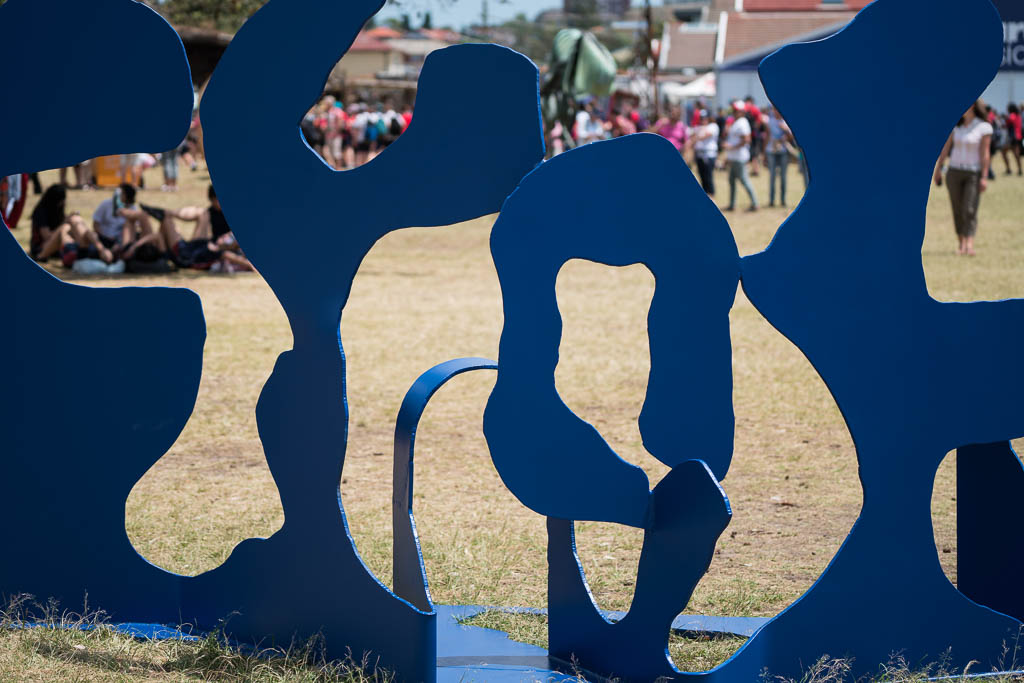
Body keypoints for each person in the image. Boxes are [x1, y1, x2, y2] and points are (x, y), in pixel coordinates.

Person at [138, 184, 253, 271]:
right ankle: (167, 213)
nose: (224, 237)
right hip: (191, 247)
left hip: (185, 253)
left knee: (167, 220)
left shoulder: (216, 251)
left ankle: (165, 214)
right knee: (200, 214)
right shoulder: (212, 216)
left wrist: (249, 264)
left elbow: (228, 253)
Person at [934, 99, 993, 256]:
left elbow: (985, 153)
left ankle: (969, 244)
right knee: (957, 208)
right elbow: (945, 149)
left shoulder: (983, 127)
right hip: (954, 172)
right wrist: (938, 169)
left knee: (969, 208)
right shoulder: (955, 125)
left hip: (973, 173)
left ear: (972, 105)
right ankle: (961, 243)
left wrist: (984, 176)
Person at [29, 184, 113, 266]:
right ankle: (94, 250)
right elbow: (47, 236)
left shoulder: (56, 210)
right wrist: (65, 222)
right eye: (62, 200)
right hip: (41, 248)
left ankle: (86, 250)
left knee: (74, 222)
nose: (63, 203)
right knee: (67, 226)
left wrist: (68, 220)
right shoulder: (41, 212)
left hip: (57, 246)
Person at [92, 183, 153, 253]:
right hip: (106, 239)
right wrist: (105, 238)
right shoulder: (105, 204)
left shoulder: (132, 207)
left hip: (123, 240)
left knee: (131, 221)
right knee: (139, 217)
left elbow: (135, 226)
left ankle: (143, 248)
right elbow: (95, 224)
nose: (117, 194)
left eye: (121, 193)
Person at [722, 101, 758, 212]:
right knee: (732, 181)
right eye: (734, 110)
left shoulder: (742, 122)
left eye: (736, 110)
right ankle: (732, 204)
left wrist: (731, 147)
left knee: (744, 180)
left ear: (742, 112)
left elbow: (747, 139)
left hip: (739, 157)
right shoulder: (737, 122)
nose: (733, 112)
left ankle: (755, 203)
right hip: (734, 157)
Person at [765, 106, 794, 208]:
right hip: (771, 150)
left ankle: (783, 200)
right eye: (774, 109)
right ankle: (771, 201)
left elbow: (791, 137)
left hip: (783, 151)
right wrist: (764, 152)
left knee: (783, 177)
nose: (776, 111)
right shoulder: (770, 121)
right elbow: (767, 136)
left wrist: (785, 130)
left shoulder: (785, 121)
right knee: (772, 176)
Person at [692, 109, 719, 196]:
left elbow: (704, 136)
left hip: (709, 155)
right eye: (701, 118)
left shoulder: (713, 126)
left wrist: (696, 135)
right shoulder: (698, 127)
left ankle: (711, 196)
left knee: (708, 177)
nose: (703, 120)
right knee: (702, 178)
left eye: (705, 118)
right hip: (699, 155)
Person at [1003, 103, 1022, 176]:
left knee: (1004, 152)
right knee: (1017, 155)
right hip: (1018, 136)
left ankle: (1009, 169)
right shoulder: (1018, 115)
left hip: (1013, 137)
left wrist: (1006, 119)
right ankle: (1019, 170)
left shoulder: (1012, 115)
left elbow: (1007, 123)